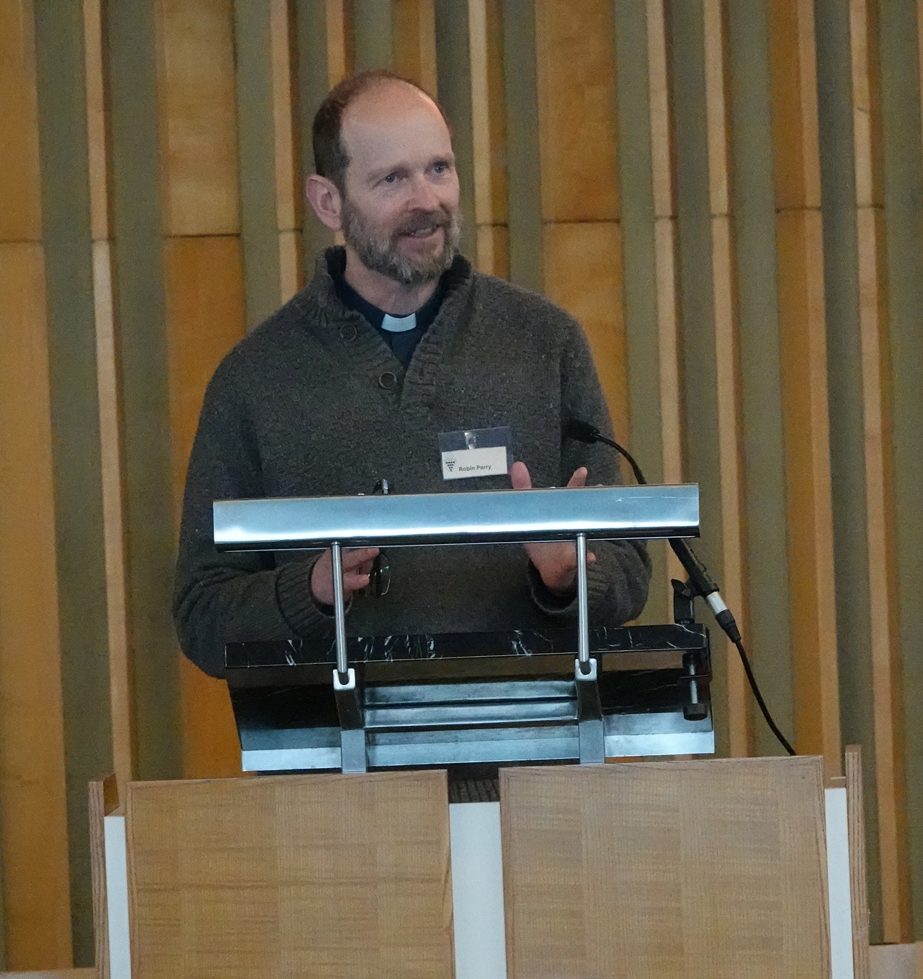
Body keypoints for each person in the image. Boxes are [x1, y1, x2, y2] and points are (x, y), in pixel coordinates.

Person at [173, 69, 649, 678]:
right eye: (392, 178)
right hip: (343, 765)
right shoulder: (256, 378)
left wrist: (570, 574)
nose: (426, 200)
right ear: (328, 202)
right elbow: (202, 613)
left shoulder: (545, 343)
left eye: (439, 169)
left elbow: (629, 570)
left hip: (530, 756)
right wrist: (311, 590)